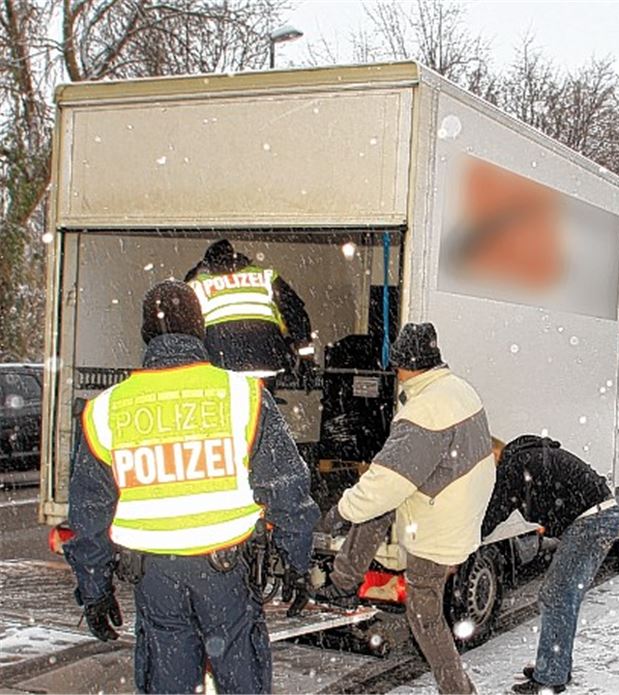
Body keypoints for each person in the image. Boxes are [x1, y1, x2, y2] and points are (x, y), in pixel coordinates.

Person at [63, 280, 319, 694]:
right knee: (242, 680)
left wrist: (95, 588)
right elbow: (286, 487)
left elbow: (89, 511)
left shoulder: (106, 409)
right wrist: (297, 561)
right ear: (201, 329)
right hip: (225, 573)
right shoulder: (242, 396)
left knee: (168, 681)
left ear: (145, 333)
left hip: (155, 578)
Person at [315, 322, 496, 694]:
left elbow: (384, 484)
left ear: (402, 366)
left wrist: (338, 514)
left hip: (440, 522)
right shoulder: (457, 389)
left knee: (424, 616)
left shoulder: (424, 411)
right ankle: (346, 581)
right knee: (378, 511)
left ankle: (459, 691)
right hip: (459, 503)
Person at [480, 435, 619, 695]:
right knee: (562, 596)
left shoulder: (514, 465)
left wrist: (467, 543)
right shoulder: (527, 457)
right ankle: (556, 666)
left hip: (592, 521)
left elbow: (495, 512)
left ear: (492, 456)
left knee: (557, 596)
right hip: (600, 516)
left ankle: (550, 677)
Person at [185, 239, 315, 391]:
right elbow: (296, 315)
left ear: (207, 264)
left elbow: (183, 326)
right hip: (265, 361)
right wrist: (306, 358)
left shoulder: (198, 284)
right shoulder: (265, 277)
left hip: (221, 364)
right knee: (260, 404)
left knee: (231, 405)